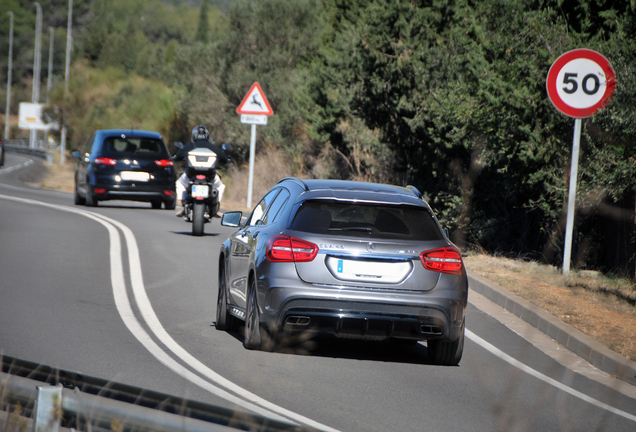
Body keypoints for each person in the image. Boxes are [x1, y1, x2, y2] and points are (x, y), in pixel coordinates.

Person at [173, 125, 229, 217]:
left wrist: (175, 157)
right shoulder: (212, 147)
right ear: (207, 136)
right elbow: (224, 158)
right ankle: (216, 207)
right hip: (210, 176)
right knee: (220, 186)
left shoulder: (189, 146)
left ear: (193, 136)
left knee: (179, 183)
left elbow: (178, 156)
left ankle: (183, 206)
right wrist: (226, 160)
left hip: (190, 175)